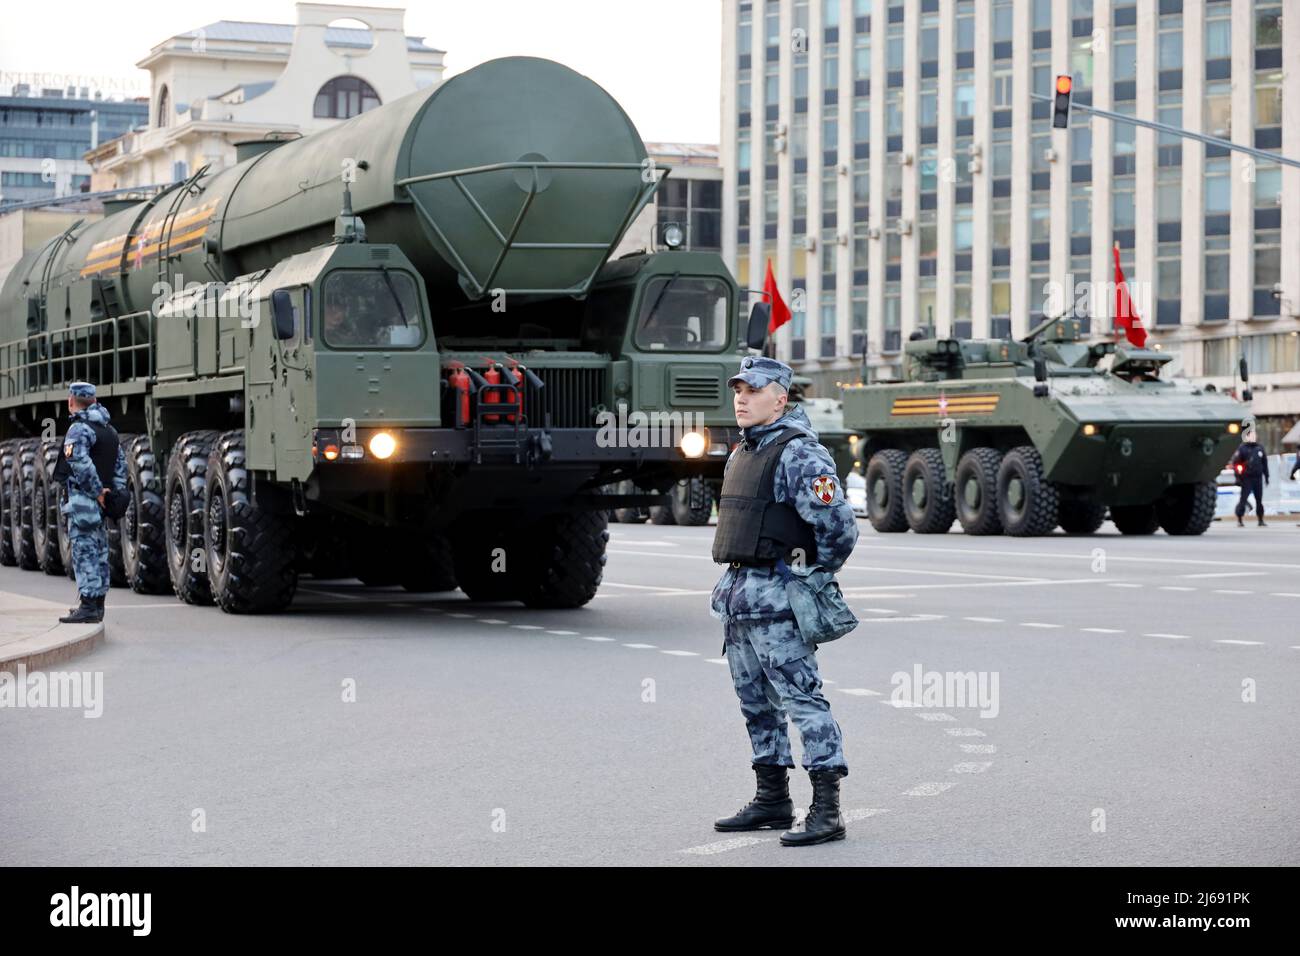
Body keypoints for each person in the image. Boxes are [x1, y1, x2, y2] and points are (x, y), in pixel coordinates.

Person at [710, 355, 859, 847]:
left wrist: (809, 578)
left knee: (803, 701)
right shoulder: (742, 452)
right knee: (756, 705)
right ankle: (772, 799)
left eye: (753, 390)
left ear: (781, 397)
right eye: (738, 390)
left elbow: (837, 527)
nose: (741, 398)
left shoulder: (802, 454)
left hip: (778, 604)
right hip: (738, 601)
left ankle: (828, 809)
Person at [53, 382, 127, 624]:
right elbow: (120, 467)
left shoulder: (79, 429)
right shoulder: (110, 430)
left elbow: (78, 461)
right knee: (100, 552)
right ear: (94, 401)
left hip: (84, 501)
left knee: (84, 551)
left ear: (71, 401)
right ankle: (98, 605)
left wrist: (96, 492)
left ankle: (88, 605)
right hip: (101, 503)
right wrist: (112, 494)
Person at [1230, 426, 1269, 528]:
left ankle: (1260, 519)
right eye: (1251, 435)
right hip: (1247, 478)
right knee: (1243, 499)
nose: (1254, 437)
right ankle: (1240, 519)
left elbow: (1264, 463)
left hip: (1258, 478)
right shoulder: (1242, 449)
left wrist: (1267, 476)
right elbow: (1236, 464)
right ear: (1247, 436)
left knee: (1259, 500)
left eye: (1254, 435)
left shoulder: (1259, 448)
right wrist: (1238, 477)